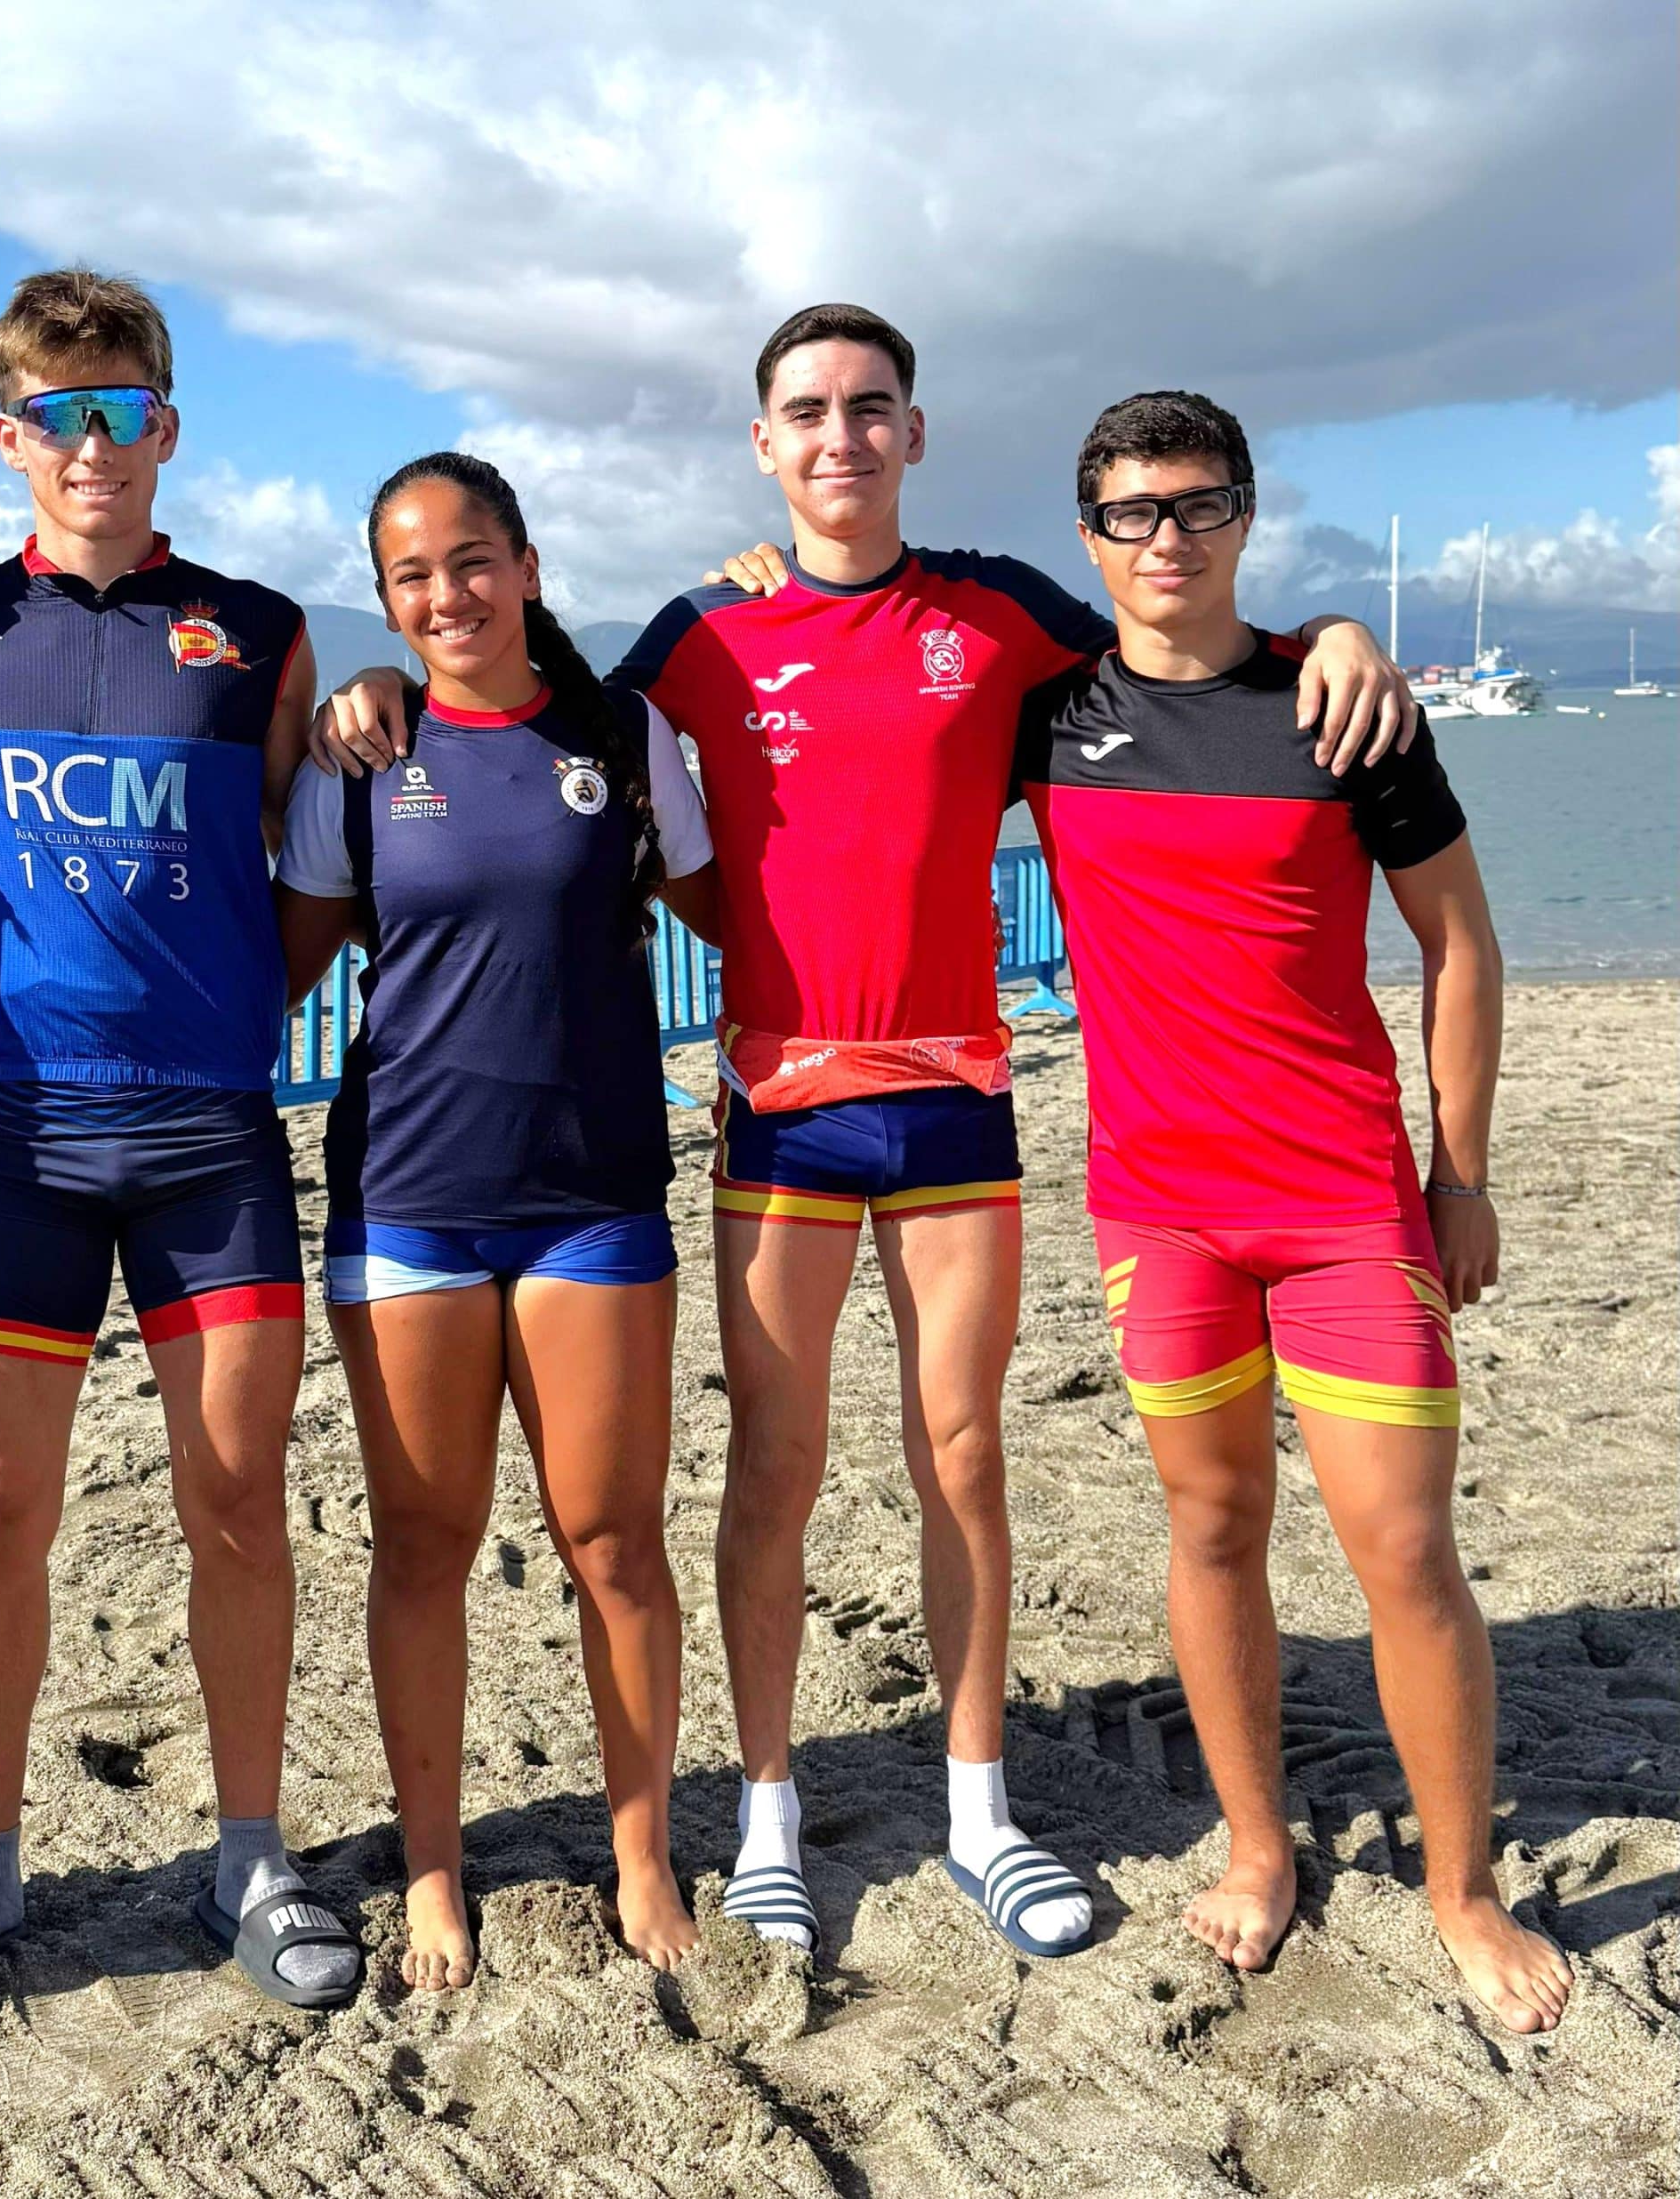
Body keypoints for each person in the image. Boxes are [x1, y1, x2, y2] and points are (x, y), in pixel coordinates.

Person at [310, 304, 1410, 1963]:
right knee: (776, 1467)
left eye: (870, 408)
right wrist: (385, 678)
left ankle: (979, 1811)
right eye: (808, 412)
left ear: (913, 431)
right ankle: (762, 1814)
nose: (841, 437)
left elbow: (1182, 656)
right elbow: (530, 728)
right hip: (781, 1109)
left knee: (963, 1452)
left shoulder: (1003, 610)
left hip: (955, 1096)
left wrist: (1330, 626)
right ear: (766, 444)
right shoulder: (695, 636)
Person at [1001, 390, 1568, 2034]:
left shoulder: (1344, 712)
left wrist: (1459, 1174)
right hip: (1159, 1215)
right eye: (1130, 513)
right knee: (1215, 1530)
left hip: (1344, 1205)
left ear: (1245, 514)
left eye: (1197, 506)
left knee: (1404, 1549)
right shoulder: (1050, 717)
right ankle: (1260, 1846)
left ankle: (1460, 1895)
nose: (1164, 540)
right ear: (1089, 533)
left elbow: (1462, 947)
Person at [0, 268, 360, 2025]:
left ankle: (250, 1849)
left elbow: (307, 878)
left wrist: (220, 1014)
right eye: (58, 418)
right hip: (14, 1144)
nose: (94, 447)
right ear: (11, 438)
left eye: (124, 411)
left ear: (165, 425)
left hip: (212, 1142)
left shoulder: (259, 626)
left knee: (235, 1507)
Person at [275, 454, 719, 1990]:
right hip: (408, 1198)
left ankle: (645, 1851)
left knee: (613, 1543)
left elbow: (742, 910)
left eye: (472, 562)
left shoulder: (623, 733)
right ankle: (435, 1868)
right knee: (425, 1543)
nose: (446, 596)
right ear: (385, 599)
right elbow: (282, 960)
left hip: (594, 1197)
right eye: (411, 576)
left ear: (526, 567)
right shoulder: (361, 757)